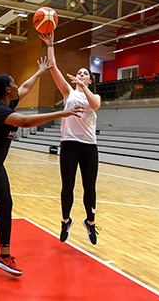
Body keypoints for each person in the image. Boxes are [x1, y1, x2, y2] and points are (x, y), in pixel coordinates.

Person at [0, 57, 84, 277]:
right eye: (14, 83)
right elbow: (25, 122)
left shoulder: (6, 102)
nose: (18, 86)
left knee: (6, 204)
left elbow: (24, 88)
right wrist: (62, 113)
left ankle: (5, 256)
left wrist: (40, 72)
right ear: (7, 89)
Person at [39, 32, 102, 245]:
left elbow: (95, 105)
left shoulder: (93, 95)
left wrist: (84, 86)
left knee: (89, 187)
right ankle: (66, 221)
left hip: (89, 147)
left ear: (90, 79)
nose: (81, 74)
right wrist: (50, 45)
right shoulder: (68, 92)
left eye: (85, 74)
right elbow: (53, 67)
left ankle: (90, 223)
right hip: (68, 144)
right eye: (79, 73)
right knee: (67, 186)